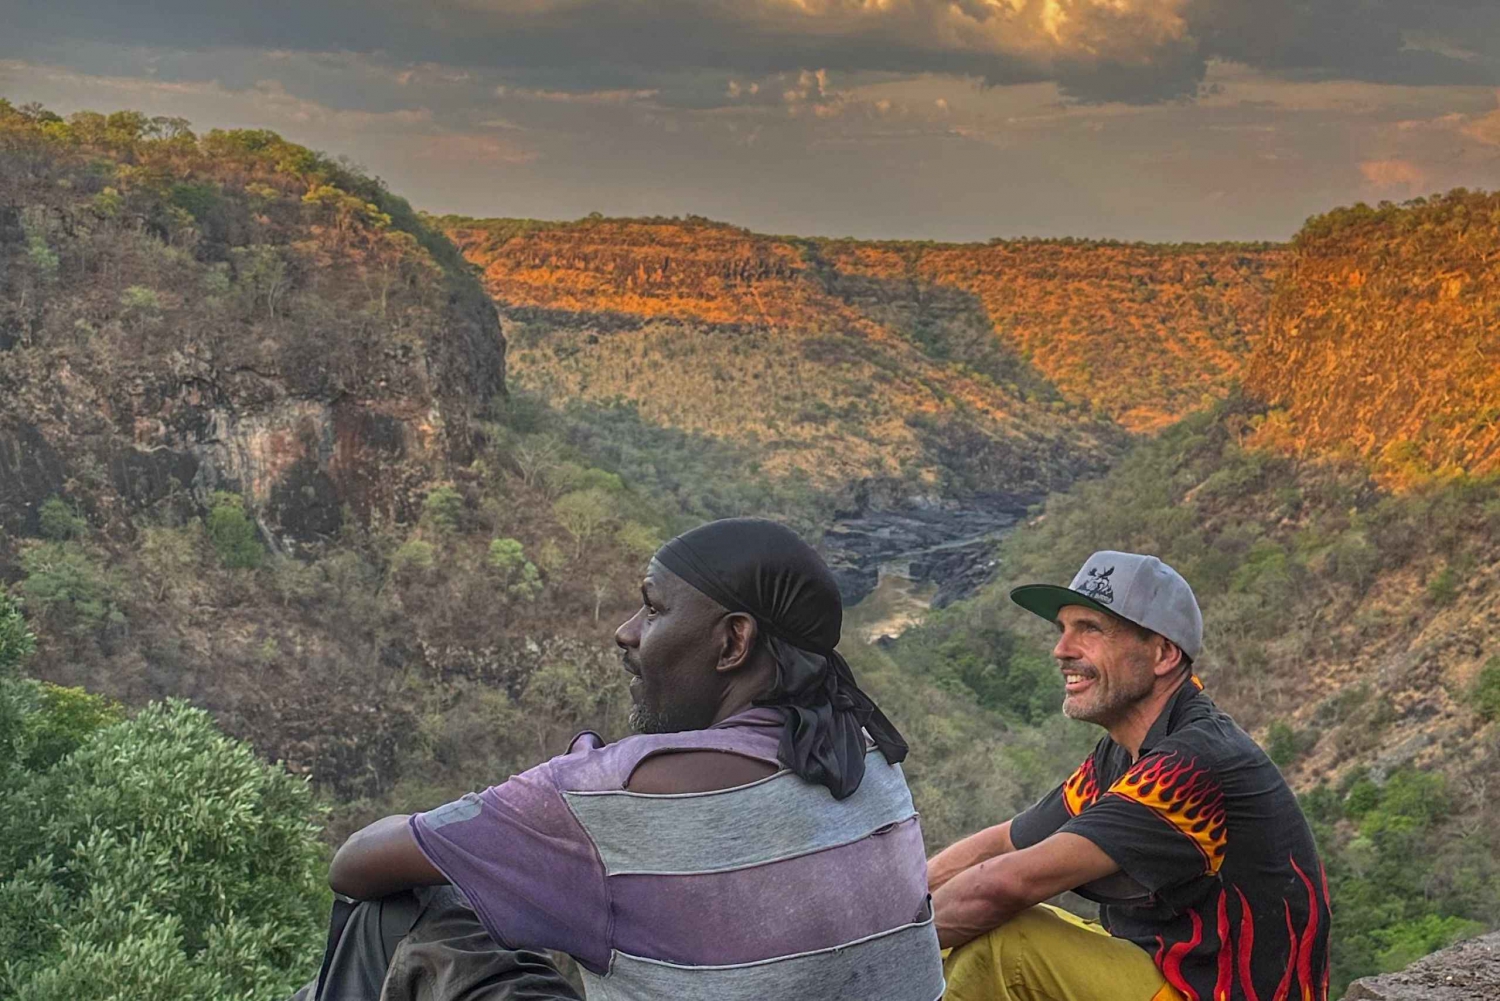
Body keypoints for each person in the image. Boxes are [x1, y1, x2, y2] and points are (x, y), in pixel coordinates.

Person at [292, 517, 946, 1001]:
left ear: (732, 642)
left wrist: (540, 808)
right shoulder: (870, 757)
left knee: (396, 910)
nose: (625, 630)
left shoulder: (616, 794)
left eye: (653, 608)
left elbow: (353, 863)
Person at [928, 551, 1331, 1001]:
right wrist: (900, 903)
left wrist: (882, 947)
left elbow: (1005, 884)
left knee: (1007, 946)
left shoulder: (1191, 764)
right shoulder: (1122, 752)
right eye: (1063, 629)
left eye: (1090, 629)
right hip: (1163, 973)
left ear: (1162, 654)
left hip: (1210, 993)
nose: (1062, 650)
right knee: (966, 934)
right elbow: (1005, 842)